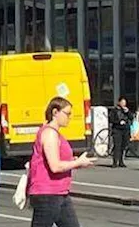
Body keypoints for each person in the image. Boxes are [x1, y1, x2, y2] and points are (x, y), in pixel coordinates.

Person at [28, 97, 93, 227]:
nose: (69, 117)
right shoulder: (49, 133)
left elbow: (57, 160)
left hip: (60, 192)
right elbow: (55, 166)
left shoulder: (55, 134)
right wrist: (78, 163)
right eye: (67, 114)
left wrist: (73, 161)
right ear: (55, 112)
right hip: (47, 193)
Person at [111, 97, 133, 168]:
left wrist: (128, 112)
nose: (124, 104)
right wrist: (119, 122)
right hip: (117, 130)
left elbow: (131, 117)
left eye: (125, 103)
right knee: (117, 146)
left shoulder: (126, 110)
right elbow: (111, 119)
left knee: (123, 146)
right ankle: (115, 162)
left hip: (125, 130)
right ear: (119, 102)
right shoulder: (114, 110)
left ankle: (121, 161)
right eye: (122, 102)